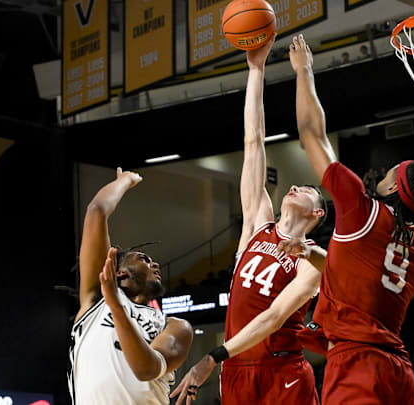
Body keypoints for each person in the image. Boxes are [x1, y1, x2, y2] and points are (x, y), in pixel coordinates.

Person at [288, 34, 414, 405]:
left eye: (388, 173)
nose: (380, 175)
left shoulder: (360, 210)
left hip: (358, 364)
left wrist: (303, 71)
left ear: (392, 189)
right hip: (396, 370)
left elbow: (311, 133)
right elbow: (364, 283)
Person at [170, 34, 327, 405]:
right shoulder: (258, 228)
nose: (295, 187)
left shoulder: (314, 258)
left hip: (282, 371)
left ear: (316, 213)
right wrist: (255, 70)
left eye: (306, 188)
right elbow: (253, 141)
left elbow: (274, 316)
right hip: (236, 369)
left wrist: (212, 356)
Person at [68, 169, 193, 405]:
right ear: (119, 272)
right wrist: (125, 180)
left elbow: (146, 369)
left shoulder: (175, 326)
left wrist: (117, 310)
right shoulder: (95, 301)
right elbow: (96, 212)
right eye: (144, 259)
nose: (155, 263)